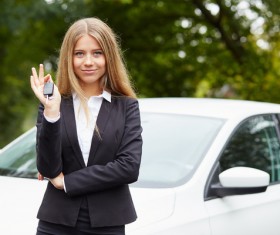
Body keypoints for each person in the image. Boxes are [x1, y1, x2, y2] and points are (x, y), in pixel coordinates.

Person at [30, 17, 143, 235]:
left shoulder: (127, 106)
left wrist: (68, 182)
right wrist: (52, 112)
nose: (88, 61)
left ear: (108, 56)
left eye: (97, 53)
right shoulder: (53, 102)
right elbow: (47, 168)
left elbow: (129, 166)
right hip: (56, 223)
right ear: (68, 58)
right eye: (79, 53)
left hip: (107, 223)